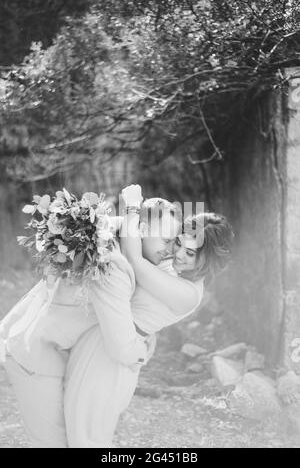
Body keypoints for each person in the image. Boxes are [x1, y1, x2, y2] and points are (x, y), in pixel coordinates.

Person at [0, 193, 181, 448]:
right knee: (53, 443)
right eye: (167, 240)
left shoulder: (125, 244)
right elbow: (121, 347)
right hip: (35, 355)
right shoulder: (112, 265)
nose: (171, 250)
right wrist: (143, 350)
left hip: (61, 349)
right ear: (141, 229)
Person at [63, 185, 234, 447]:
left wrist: (131, 206)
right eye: (177, 242)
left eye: (190, 253)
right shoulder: (174, 265)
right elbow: (141, 242)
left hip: (116, 353)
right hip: (105, 337)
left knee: (90, 432)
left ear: (208, 262)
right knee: (78, 426)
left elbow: (135, 258)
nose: (177, 253)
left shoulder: (189, 293)